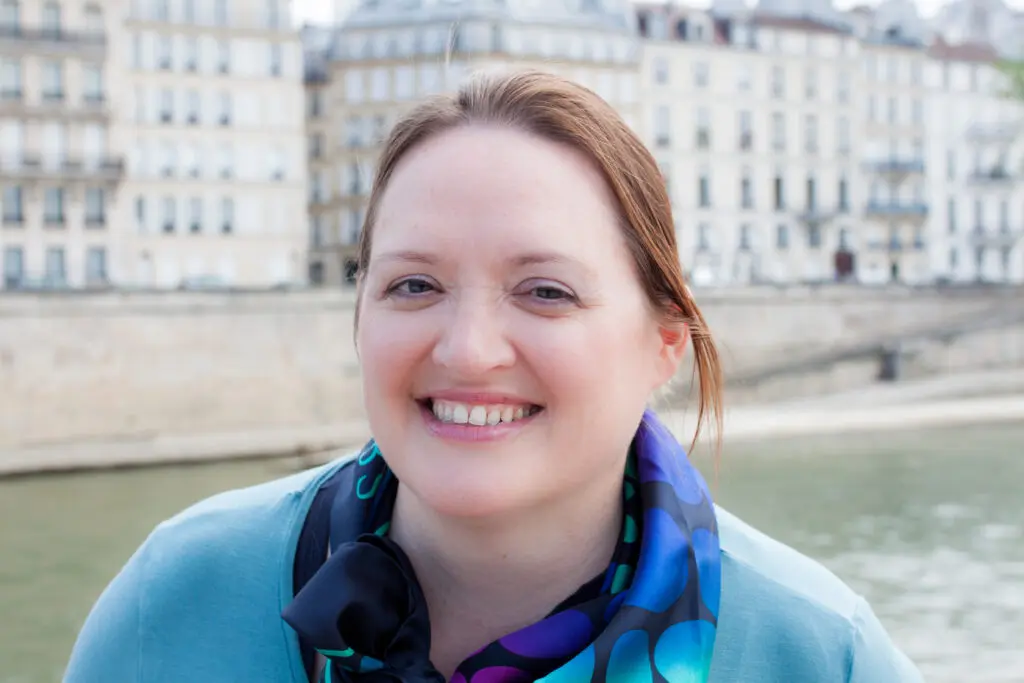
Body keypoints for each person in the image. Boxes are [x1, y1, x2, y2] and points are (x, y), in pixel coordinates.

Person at [64, 70, 922, 683]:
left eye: (545, 291)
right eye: (414, 284)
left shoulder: (818, 655)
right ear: (358, 316)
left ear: (662, 345)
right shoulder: (175, 597)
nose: (469, 349)